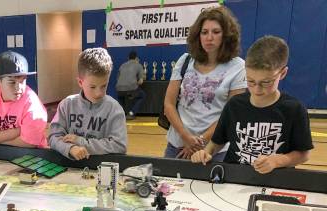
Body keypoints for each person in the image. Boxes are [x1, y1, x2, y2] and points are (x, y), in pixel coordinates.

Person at [191, 36, 312, 173]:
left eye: (266, 82)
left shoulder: (294, 109)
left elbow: (304, 154)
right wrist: (206, 153)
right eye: (250, 81)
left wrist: (277, 161)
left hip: (276, 181)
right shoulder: (235, 105)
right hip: (234, 179)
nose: (257, 89)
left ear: (282, 73)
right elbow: (216, 143)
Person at [163, 6, 246, 160]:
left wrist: (199, 142)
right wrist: (186, 137)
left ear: (226, 35)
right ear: (198, 35)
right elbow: (168, 104)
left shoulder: (238, 67)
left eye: (216, 32)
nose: (209, 37)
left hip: (214, 150)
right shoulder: (185, 60)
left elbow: (230, 114)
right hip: (177, 146)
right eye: (204, 32)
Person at [49, 48, 127, 160]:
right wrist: (70, 148)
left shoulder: (114, 109)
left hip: (101, 168)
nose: (98, 93)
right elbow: (53, 137)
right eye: (92, 87)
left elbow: (119, 146)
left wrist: (80, 141)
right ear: (80, 82)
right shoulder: (66, 105)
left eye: (104, 86)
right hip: (70, 167)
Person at [0, 51, 48, 148]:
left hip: (31, 154)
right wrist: (17, 131)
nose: (18, 88)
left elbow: (29, 143)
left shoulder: (31, 102)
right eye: (12, 82)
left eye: (22, 81)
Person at [115, 50, 146, 120]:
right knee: (142, 96)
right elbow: (141, 81)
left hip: (119, 88)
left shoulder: (122, 65)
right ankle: (131, 113)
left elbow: (118, 79)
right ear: (136, 58)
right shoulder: (138, 65)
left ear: (128, 58)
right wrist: (134, 85)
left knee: (121, 98)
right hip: (131, 88)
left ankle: (120, 114)